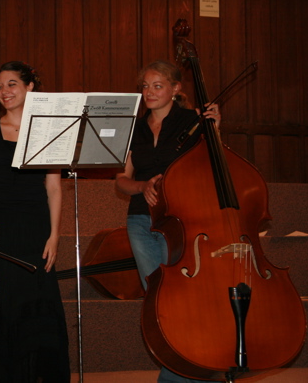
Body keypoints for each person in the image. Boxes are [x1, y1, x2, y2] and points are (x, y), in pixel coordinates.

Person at [115, 60, 220, 383]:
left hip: (182, 219)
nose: (149, 92)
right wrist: (142, 186)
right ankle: (184, 367)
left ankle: (190, 368)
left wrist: (215, 129)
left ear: (176, 89)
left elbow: (212, 167)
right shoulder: (134, 127)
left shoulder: (192, 121)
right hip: (140, 220)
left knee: (184, 297)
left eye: (157, 85)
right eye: (144, 86)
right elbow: (121, 179)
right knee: (158, 298)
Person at [0, 61, 70, 382]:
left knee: (35, 305)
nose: (4, 92)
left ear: (30, 88)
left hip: (35, 228)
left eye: (11, 84)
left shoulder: (47, 130)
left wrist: (54, 235)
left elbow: (53, 187)